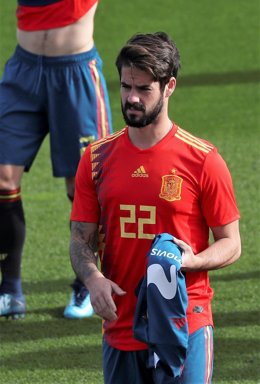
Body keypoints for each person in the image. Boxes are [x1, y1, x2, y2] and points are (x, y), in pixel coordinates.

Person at [69, 32, 241, 383]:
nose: (131, 98)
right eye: (126, 86)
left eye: (144, 89)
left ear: (169, 86)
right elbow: (80, 239)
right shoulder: (96, 159)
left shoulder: (202, 160)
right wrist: (93, 278)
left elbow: (231, 243)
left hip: (185, 323)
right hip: (121, 327)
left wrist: (193, 260)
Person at [0, 0, 112, 320]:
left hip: (76, 72)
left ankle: (86, 282)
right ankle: (9, 288)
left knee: (84, 186)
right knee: (2, 178)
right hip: (23, 72)